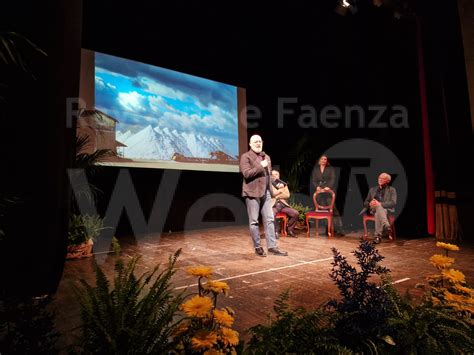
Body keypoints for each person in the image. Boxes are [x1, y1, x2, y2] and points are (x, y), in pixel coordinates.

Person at [240, 135, 288, 257]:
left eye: (260, 141)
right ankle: (258, 247)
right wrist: (261, 165)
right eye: (255, 141)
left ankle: (272, 247)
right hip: (252, 192)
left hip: (266, 192)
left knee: (270, 219)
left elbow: (268, 176)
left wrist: (277, 183)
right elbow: (246, 174)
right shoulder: (245, 157)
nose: (258, 143)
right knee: (254, 222)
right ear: (250, 144)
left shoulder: (266, 157)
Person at [311, 155, 344, 234]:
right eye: (322, 159)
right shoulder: (316, 169)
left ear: (327, 161)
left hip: (328, 191)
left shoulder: (330, 168)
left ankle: (340, 228)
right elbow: (314, 180)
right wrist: (317, 187)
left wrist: (328, 187)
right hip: (320, 192)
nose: (323, 160)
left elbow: (333, 179)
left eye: (325, 159)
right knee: (323, 210)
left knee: (333, 209)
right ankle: (328, 229)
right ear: (320, 160)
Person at [360, 172, 397, 244]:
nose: (380, 179)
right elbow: (365, 202)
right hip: (373, 209)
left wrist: (379, 204)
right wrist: (370, 203)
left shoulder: (392, 190)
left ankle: (377, 237)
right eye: (379, 178)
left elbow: (393, 203)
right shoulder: (372, 189)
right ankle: (386, 225)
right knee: (377, 208)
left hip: (386, 210)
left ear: (388, 181)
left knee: (378, 213)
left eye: (383, 179)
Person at [271, 170, 299, 238]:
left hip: (283, 205)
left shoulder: (283, 184)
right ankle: (275, 232)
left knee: (295, 213)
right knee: (272, 214)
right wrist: (280, 190)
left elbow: (287, 195)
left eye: (276, 174)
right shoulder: (269, 184)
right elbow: (272, 194)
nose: (275, 176)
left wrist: (277, 195)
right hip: (273, 205)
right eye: (273, 175)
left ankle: (290, 229)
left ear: (279, 176)